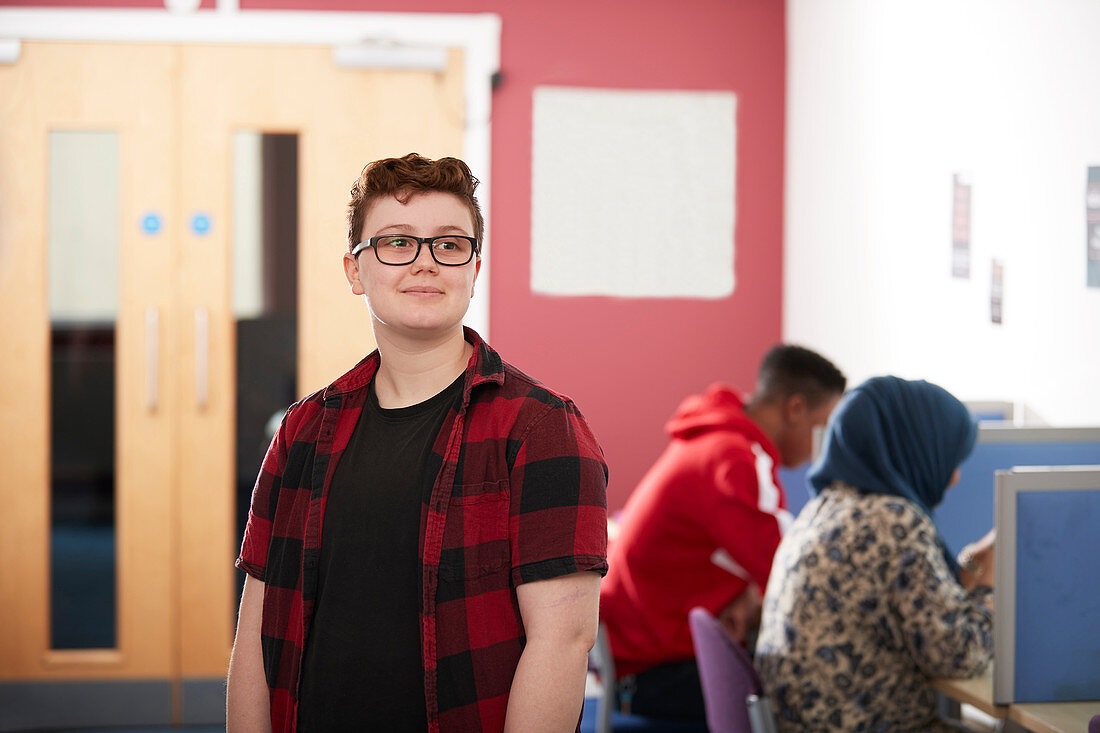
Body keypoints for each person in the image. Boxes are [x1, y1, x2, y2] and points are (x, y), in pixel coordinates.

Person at [226, 153, 609, 733]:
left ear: (474, 268)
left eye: (450, 244)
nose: (425, 263)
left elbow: (563, 641)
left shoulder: (539, 429)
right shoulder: (303, 431)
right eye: (396, 243)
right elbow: (256, 627)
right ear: (355, 272)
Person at [598, 345, 846, 721]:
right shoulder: (734, 461)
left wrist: (748, 592)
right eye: (821, 427)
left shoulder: (713, 441)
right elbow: (794, 575)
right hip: (650, 674)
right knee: (817, 695)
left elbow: (755, 556)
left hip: (632, 657)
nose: (819, 450)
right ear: (795, 409)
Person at [755, 376, 995, 732]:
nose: (955, 477)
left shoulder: (825, 506)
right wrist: (988, 590)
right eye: (949, 459)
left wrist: (971, 569)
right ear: (915, 448)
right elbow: (959, 656)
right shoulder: (892, 520)